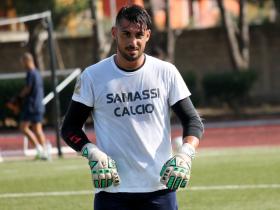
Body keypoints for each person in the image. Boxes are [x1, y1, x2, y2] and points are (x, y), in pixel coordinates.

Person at [61, 4, 203, 210]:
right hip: (112, 191)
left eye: (139, 35)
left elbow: (193, 121)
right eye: (126, 34)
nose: (132, 42)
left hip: (160, 189)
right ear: (114, 33)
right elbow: (69, 128)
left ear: (148, 36)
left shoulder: (166, 72)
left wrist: (185, 153)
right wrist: (91, 151)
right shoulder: (92, 76)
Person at [18, 52, 49, 160]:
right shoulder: (37, 73)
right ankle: (44, 151)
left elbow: (28, 88)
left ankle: (39, 148)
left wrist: (18, 97)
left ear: (27, 60)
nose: (22, 64)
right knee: (37, 129)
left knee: (23, 127)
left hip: (31, 105)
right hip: (38, 104)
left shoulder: (31, 73)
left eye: (23, 62)